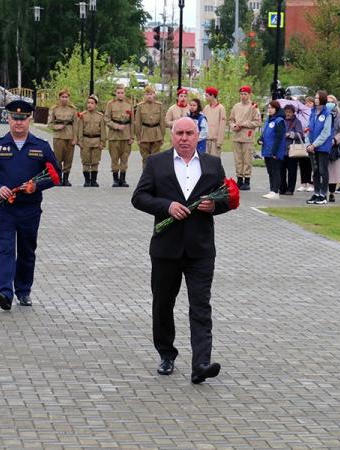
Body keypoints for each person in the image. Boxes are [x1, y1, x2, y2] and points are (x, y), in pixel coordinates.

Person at [131, 117, 231, 384]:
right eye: (179, 133)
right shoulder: (156, 162)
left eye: (189, 133)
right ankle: (166, 353)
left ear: (198, 135)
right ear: (172, 135)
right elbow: (139, 197)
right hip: (166, 248)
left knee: (200, 305)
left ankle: (201, 363)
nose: (184, 138)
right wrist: (167, 206)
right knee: (163, 303)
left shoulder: (212, 164)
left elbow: (225, 199)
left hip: (200, 248)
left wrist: (215, 206)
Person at [0, 100, 61, 310]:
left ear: (30, 119)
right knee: (5, 249)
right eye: (15, 118)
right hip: (5, 208)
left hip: (29, 209)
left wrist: (37, 185)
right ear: (8, 119)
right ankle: (4, 293)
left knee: (26, 250)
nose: (18, 123)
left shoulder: (41, 147)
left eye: (23, 119)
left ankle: (23, 290)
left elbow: (55, 175)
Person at [228, 85, 262, 191]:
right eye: (241, 94)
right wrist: (234, 126)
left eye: (245, 94)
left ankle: (247, 180)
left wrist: (244, 124)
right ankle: (239, 178)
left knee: (247, 159)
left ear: (249, 94)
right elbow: (231, 120)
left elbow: (258, 122)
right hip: (236, 136)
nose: (243, 96)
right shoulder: (236, 106)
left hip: (247, 136)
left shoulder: (253, 107)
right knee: (238, 159)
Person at [305, 90, 334, 205]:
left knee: (323, 170)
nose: (316, 99)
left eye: (318, 98)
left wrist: (314, 144)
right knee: (315, 171)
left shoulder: (327, 113)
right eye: (315, 97)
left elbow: (326, 132)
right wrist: (308, 144)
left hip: (322, 147)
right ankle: (316, 193)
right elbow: (308, 128)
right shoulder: (312, 112)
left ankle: (323, 194)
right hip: (312, 147)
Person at [47, 88, 78, 186]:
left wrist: (75, 138)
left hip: (69, 137)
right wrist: (57, 127)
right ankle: (59, 179)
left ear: (69, 98)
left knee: (68, 159)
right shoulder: (54, 109)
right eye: (62, 97)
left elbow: (76, 125)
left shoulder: (73, 109)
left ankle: (66, 179)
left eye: (66, 97)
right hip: (58, 137)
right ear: (59, 98)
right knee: (58, 159)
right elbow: (49, 124)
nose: (64, 99)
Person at [104, 84, 133, 187]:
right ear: (115, 93)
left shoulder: (129, 104)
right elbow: (106, 119)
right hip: (114, 135)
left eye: (122, 93)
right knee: (114, 158)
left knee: (125, 158)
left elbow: (132, 122)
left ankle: (123, 179)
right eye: (118, 93)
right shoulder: (110, 104)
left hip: (126, 135)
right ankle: (115, 180)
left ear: (125, 94)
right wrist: (116, 126)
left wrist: (132, 136)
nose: (120, 95)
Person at [258, 100, 286, 200]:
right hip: (267, 150)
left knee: (275, 171)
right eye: (268, 108)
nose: (269, 110)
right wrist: (260, 139)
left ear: (276, 109)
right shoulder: (268, 120)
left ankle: (275, 191)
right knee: (270, 171)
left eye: (271, 108)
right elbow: (265, 133)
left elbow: (279, 138)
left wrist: (274, 152)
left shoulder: (279, 121)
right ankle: (271, 190)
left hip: (275, 151)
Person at [78, 94, 107, 187]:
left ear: (96, 105)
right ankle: (87, 180)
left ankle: (93, 181)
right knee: (85, 161)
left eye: (92, 103)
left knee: (95, 161)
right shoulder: (83, 115)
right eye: (88, 103)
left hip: (96, 141)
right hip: (85, 141)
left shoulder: (100, 116)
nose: (90, 105)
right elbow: (80, 130)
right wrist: (80, 142)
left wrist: (103, 142)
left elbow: (103, 130)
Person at [134, 86, 166, 168]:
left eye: (151, 94)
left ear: (154, 95)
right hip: (144, 134)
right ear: (144, 95)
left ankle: (155, 178)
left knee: (155, 158)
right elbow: (137, 122)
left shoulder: (159, 105)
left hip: (156, 134)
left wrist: (162, 136)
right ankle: (146, 177)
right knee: (145, 158)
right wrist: (138, 137)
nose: (149, 96)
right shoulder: (140, 106)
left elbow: (162, 122)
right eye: (147, 94)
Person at [280, 104, 304, 195]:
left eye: (290, 112)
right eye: (286, 112)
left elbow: (300, 134)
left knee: (292, 171)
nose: (288, 114)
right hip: (281, 150)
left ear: (293, 113)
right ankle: (282, 188)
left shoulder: (297, 122)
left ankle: (290, 189)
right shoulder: (281, 120)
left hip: (292, 150)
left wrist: (290, 134)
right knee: (281, 170)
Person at [327, 94, 340, 203]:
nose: (330, 104)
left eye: (332, 101)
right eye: (328, 101)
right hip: (322, 144)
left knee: (333, 171)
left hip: (334, 145)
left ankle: (332, 193)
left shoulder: (339, 115)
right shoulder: (322, 114)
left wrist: (334, 140)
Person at [296, 96, 315, 193]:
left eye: (310, 103)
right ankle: (304, 183)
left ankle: (311, 183)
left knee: (310, 163)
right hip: (301, 139)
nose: (308, 105)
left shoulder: (314, 114)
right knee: (302, 162)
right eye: (306, 103)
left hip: (311, 140)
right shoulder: (300, 114)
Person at [203, 86, 226, 156]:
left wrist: (219, 141)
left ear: (212, 95)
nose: (205, 97)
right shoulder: (206, 108)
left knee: (214, 161)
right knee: (205, 161)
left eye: (206, 96)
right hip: (206, 139)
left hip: (215, 141)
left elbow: (222, 125)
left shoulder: (221, 108)